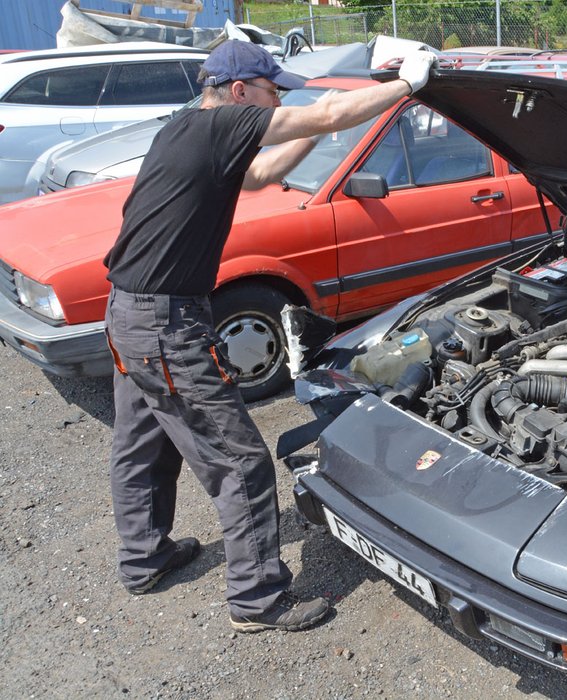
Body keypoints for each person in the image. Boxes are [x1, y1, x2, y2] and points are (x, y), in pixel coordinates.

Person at [102, 40, 437, 633]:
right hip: (165, 324)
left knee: (143, 443)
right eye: (271, 91)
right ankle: (258, 599)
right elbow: (328, 112)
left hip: (129, 313)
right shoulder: (219, 125)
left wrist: (322, 136)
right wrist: (407, 87)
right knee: (243, 463)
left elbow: (261, 175)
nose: (278, 98)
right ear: (238, 94)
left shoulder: (188, 130)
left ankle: (144, 558)